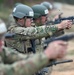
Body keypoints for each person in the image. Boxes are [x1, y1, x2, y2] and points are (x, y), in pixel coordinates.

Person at [0, 18, 68, 75]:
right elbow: (12, 71)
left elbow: (22, 58)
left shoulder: (2, 51)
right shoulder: (15, 30)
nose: (1, 43)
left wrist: (46, 57)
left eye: (1, 37)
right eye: (29, 18)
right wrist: (47, 55)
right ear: (21, 19)